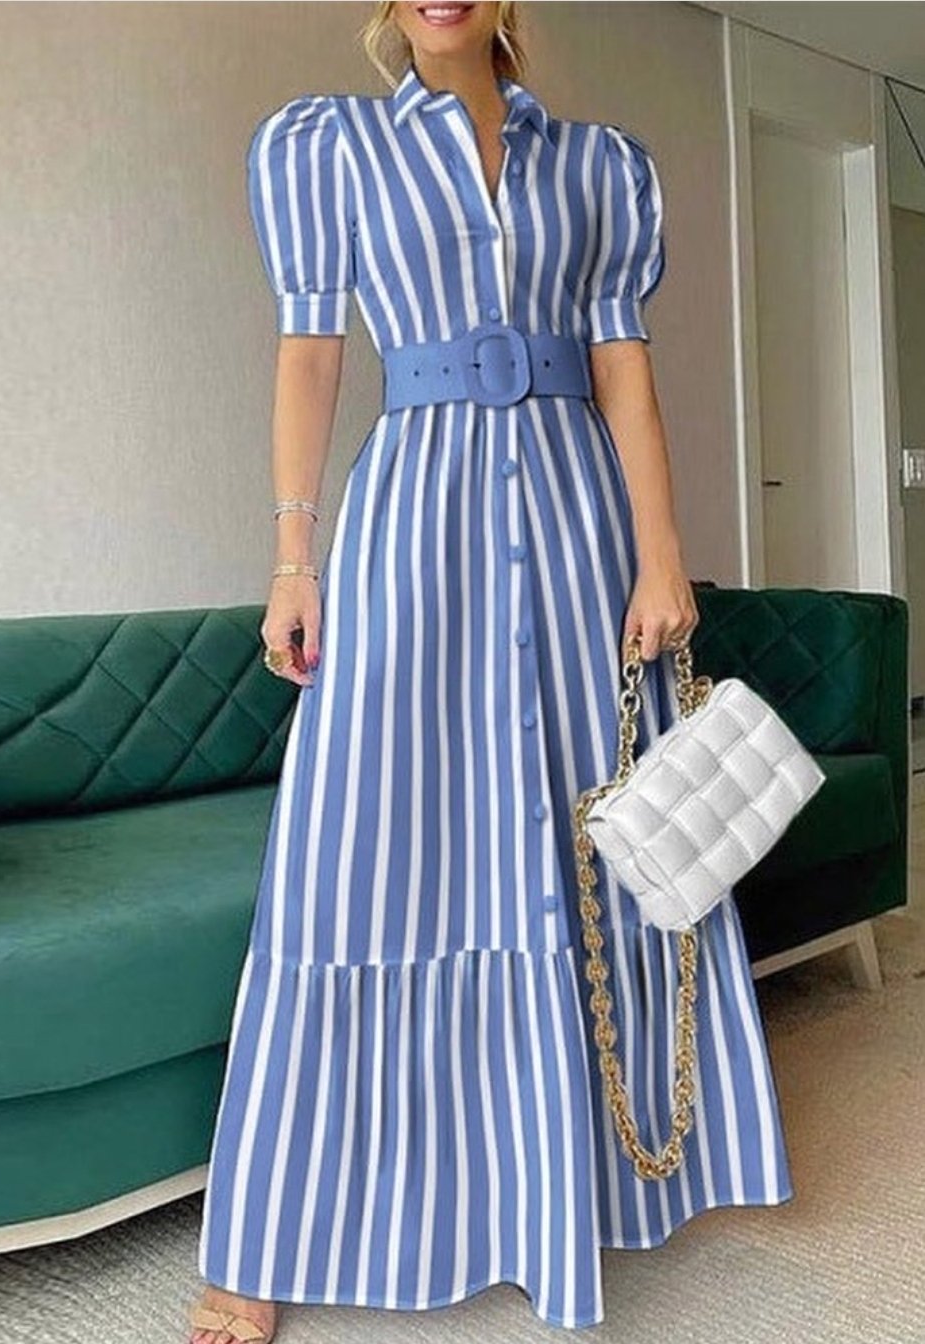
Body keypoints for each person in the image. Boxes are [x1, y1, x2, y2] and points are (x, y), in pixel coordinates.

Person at [188, 3, 794, 1339]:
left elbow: (623, 373)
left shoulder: (598, 168)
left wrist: (663, 557)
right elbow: (309, 354)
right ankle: (273, 1231)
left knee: (603, 828)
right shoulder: (330, 148)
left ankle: (587, 1183)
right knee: (360, 849)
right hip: (415, 522)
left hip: (579, 527)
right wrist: (294, 560)